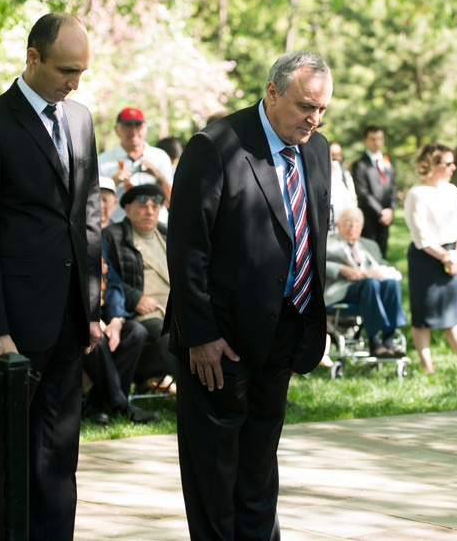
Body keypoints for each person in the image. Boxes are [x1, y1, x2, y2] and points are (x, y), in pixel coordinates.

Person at [165, 50, 332, 540]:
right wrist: (200, 334)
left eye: (322, 109)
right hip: (220, 341)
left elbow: (310, 234)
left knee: (259, 468)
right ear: (272, 91)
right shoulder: (215, 146)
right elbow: (187, 248)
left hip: (284, 330)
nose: (314, 119)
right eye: (305, 106)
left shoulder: (316, 149)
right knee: (215, 477)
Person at [0, 12, 102, 540]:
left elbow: (87, 218)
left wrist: (92, 309)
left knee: (60, 456)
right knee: (7, 458)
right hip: (14, 323)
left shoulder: (82, 120)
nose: (74, 83)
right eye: (66, 70)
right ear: (32, 57)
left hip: (69, 317)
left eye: (82, 72)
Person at [405, 144, 457, 374]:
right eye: (448, 163)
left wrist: (456, 256)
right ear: (431, 165)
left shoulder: (452, 190)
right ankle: (427, 366)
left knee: (452, 313)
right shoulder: (416, 194)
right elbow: (420, 235)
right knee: (423, 313)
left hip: (451, 257)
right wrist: (444, 256)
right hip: (426, 258)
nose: (454, 167)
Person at [102, 183, 178, 393]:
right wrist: (135, 298)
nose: (150, 211)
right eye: (143, 205)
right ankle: (193, 400)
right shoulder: (112, 236)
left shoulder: (168, 235)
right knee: (170, 339)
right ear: (127, 208)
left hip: (176, 310)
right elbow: (106, 278)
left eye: (156, 206)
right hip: (142, 315)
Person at [83, 243, 159, 424]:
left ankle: (95, 405)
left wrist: (116, 319)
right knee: (96, 340)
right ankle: (121, 405)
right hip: (80, 316)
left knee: (136, 332)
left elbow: (113, 282)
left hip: (103, 316)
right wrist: (90, 317)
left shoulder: (98, 241)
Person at [325, 207, 406, 357]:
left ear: (362, 227)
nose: (352, 226)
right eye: (348, 221)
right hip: (343, 289)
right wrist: (341, 269)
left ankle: (388, 340)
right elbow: (317, 263)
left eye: (357, 222)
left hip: (370, 289)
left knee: (391, 284)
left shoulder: (370, 245)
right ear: (338, 225)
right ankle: (374, 341)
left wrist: (378, 272)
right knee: (370, 284)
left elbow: (387, 266)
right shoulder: (328, 243)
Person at [97, 107, 173, 221]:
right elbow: (94, 203)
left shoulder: (160, 157)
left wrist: (159, 177)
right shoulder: (104, 161)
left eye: (138, 125)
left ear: (146, 129)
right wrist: (112, 183)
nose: (133, 131)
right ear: (116, 129)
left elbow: (173, 201)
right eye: (127, 125)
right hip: (118, 227)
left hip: (156, 226)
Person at [352, 125, 396, 258]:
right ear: (365, 140)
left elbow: (393, 187)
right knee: (369, 253)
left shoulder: (387, 162)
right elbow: (363, 193)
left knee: (383, 253)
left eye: (380, 139)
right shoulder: (360, 165)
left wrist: (390, 209)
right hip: (369, 217)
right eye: (373, 139)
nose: (377, 143)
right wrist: (380, 212)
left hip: (386, 218)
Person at [328, 141, 357, 232]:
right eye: (333, 154)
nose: (335, 158)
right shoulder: (322, 175)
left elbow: (352, 199)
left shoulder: (346, 175)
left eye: (338, 155)